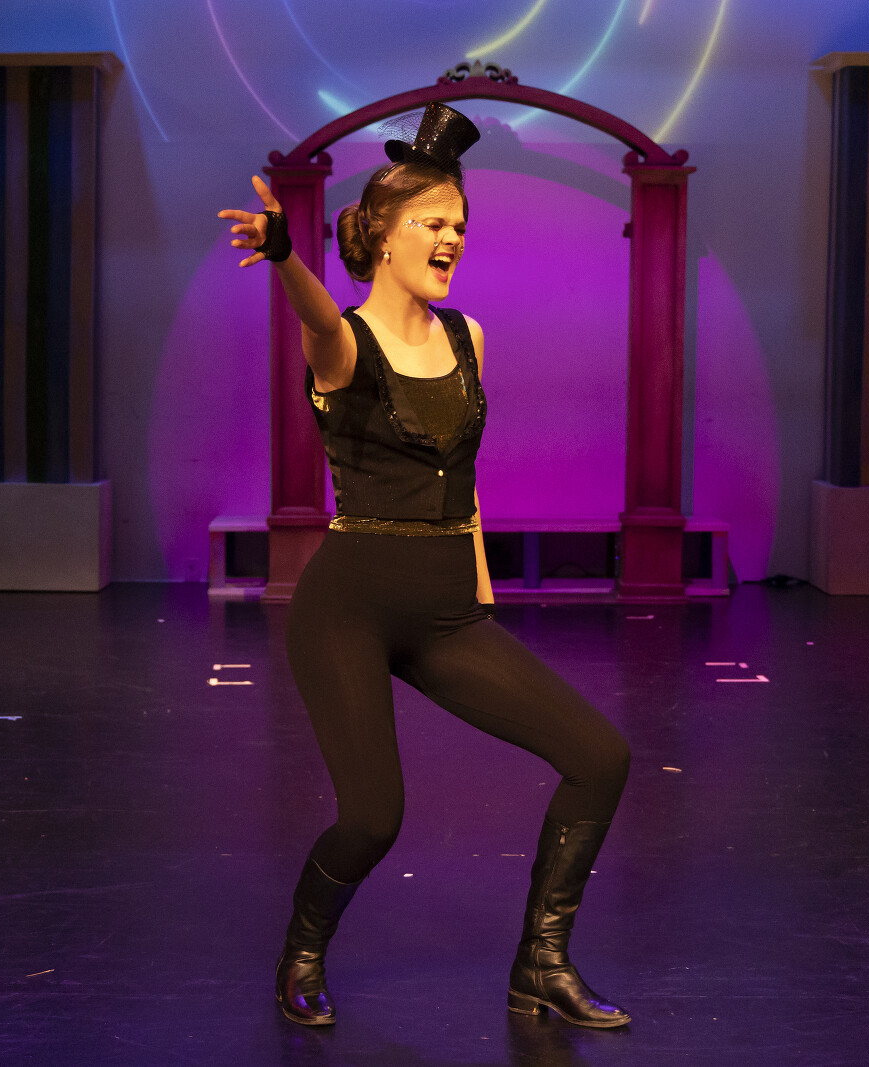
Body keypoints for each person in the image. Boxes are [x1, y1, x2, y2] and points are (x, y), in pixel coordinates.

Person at [216, 103, 632, 1029]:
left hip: (446, 610)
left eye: (459, 225)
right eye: (432, 222)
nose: (451, 239)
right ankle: (301, 953)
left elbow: (463, 475)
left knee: (600, 756)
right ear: (382, 234)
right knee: (374, 816)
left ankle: (541, 963)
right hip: (350, 608)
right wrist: (285, 256)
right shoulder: (342, 343)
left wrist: (478, 587)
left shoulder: (467, 337)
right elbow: (317, 316)